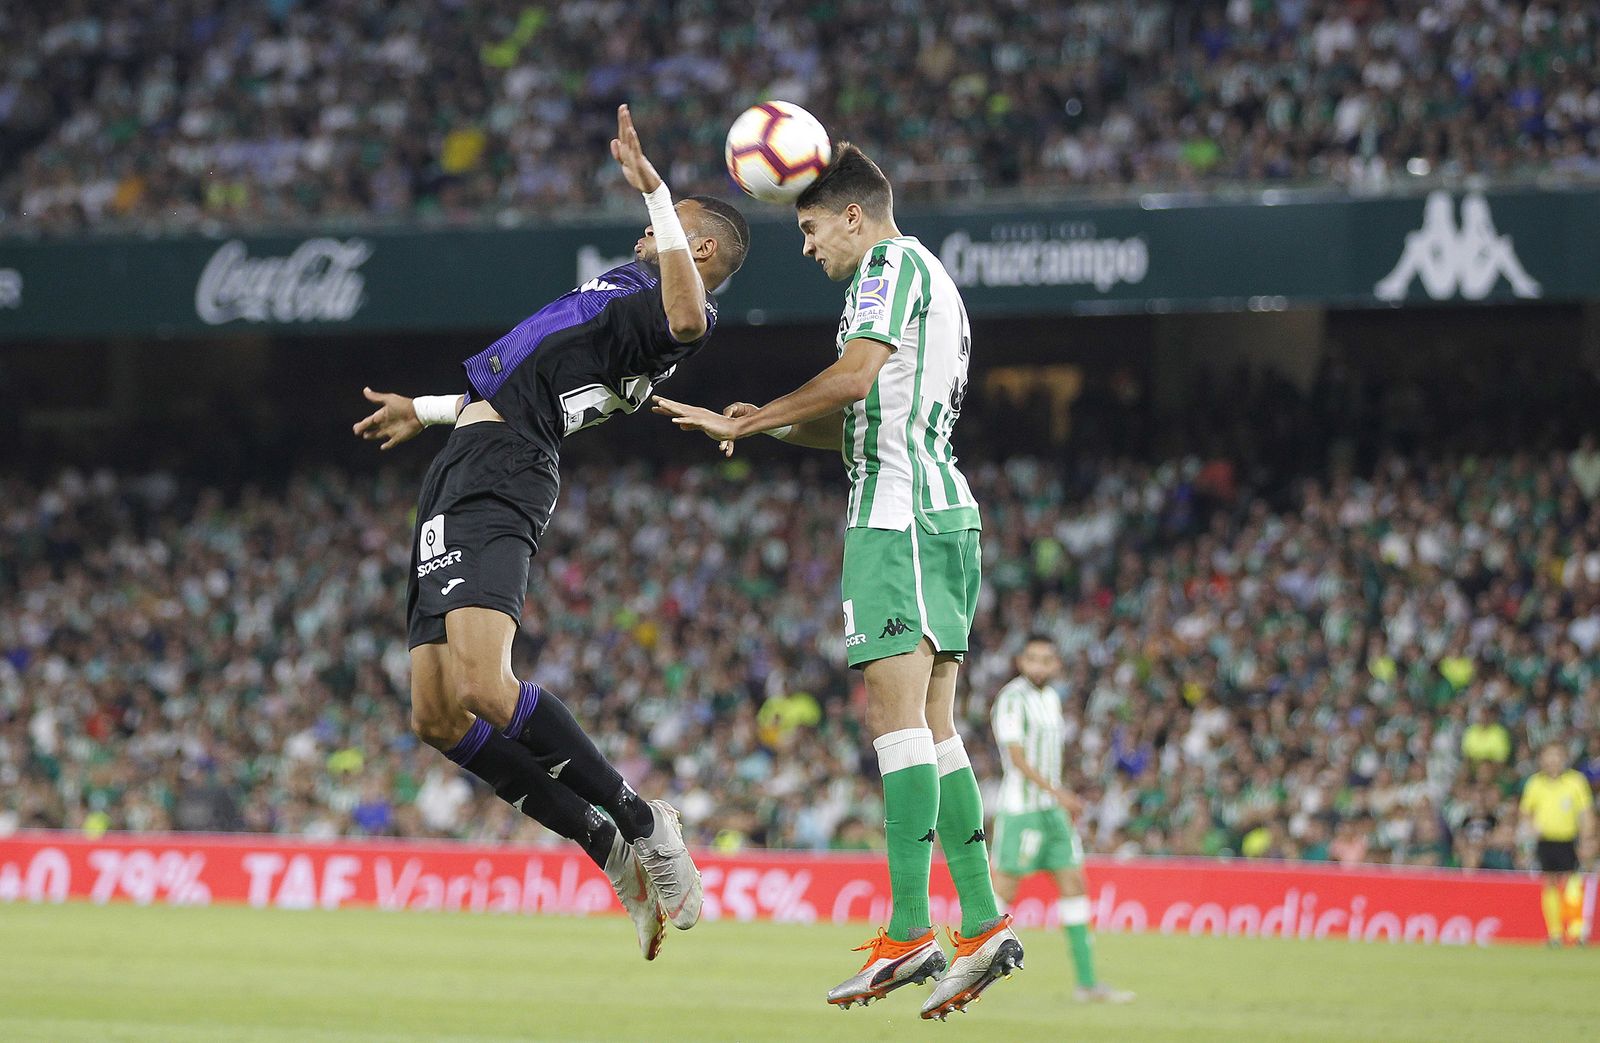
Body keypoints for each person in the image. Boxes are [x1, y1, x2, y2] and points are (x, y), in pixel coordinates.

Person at [352, 104, 750, 960]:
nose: (648, 232)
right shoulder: (618, 287)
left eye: (670, 229)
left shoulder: (670, 306)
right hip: (458, 468)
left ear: (701, 248)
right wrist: (421, 411)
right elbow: (512, 381)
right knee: (435, 712)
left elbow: (687, 320)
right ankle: (603, 843)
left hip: (506, 470)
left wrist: (658, 192)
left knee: (489, 688)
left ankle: (646, 823)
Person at [654, 144, 1017, 1020]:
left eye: (813, 230)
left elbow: (854, 378)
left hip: (895, 516)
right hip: (936, 506)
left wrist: (765, 411)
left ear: (854, 216)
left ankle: (907, 929)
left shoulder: (887, 265)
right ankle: (981, 922)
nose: (810, 250)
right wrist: (761, 423)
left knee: (894, 722)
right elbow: (866, 409)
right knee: (934, 724)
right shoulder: (933, 277)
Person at [989, 635, 1134, 1003]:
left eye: (1046, 659)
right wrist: (1061, 794)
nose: (1038, 665)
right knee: (999, 894)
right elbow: (1018, 759)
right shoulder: (1011, 699)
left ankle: (1087, 983)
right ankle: (960, 973)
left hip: (1052, 813)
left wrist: (1057, 798)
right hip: (1022, 811)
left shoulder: (1051, 698)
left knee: (1074, 884)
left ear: (1055, 665)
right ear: (1022, 661)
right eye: (1032, 658)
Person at [1518, 742, 1596, 946]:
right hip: (1545, 840)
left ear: (1564, 758)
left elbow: (1586, 812)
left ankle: (1576, 930)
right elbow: (1526, 812)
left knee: (1572, 881)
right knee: (1550, 882)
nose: (1553, 760)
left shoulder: (1575, 781)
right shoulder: (1535, 783)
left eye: (1557, 756)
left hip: (1569, 839)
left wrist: (1587, 839)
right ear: (1542, 759)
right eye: (1549, 756)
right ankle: (1555, 933)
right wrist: (1530, 828)